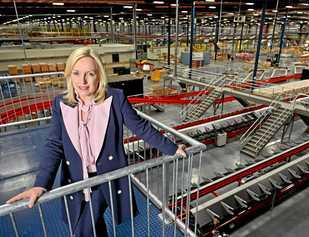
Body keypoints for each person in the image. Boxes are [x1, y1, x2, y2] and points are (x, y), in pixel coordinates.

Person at [7, 47, 186, 237]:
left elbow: (141, 127)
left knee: (81, 230)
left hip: (105, 177)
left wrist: (172, 148)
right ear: (69, 74)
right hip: (76, 178)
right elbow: (54, 144)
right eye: (76, 73)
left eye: (89, 74)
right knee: (94, 225)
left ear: (99, 76)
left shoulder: (115, 99)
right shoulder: (61, 103)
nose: (82, 81)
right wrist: (41, 184)